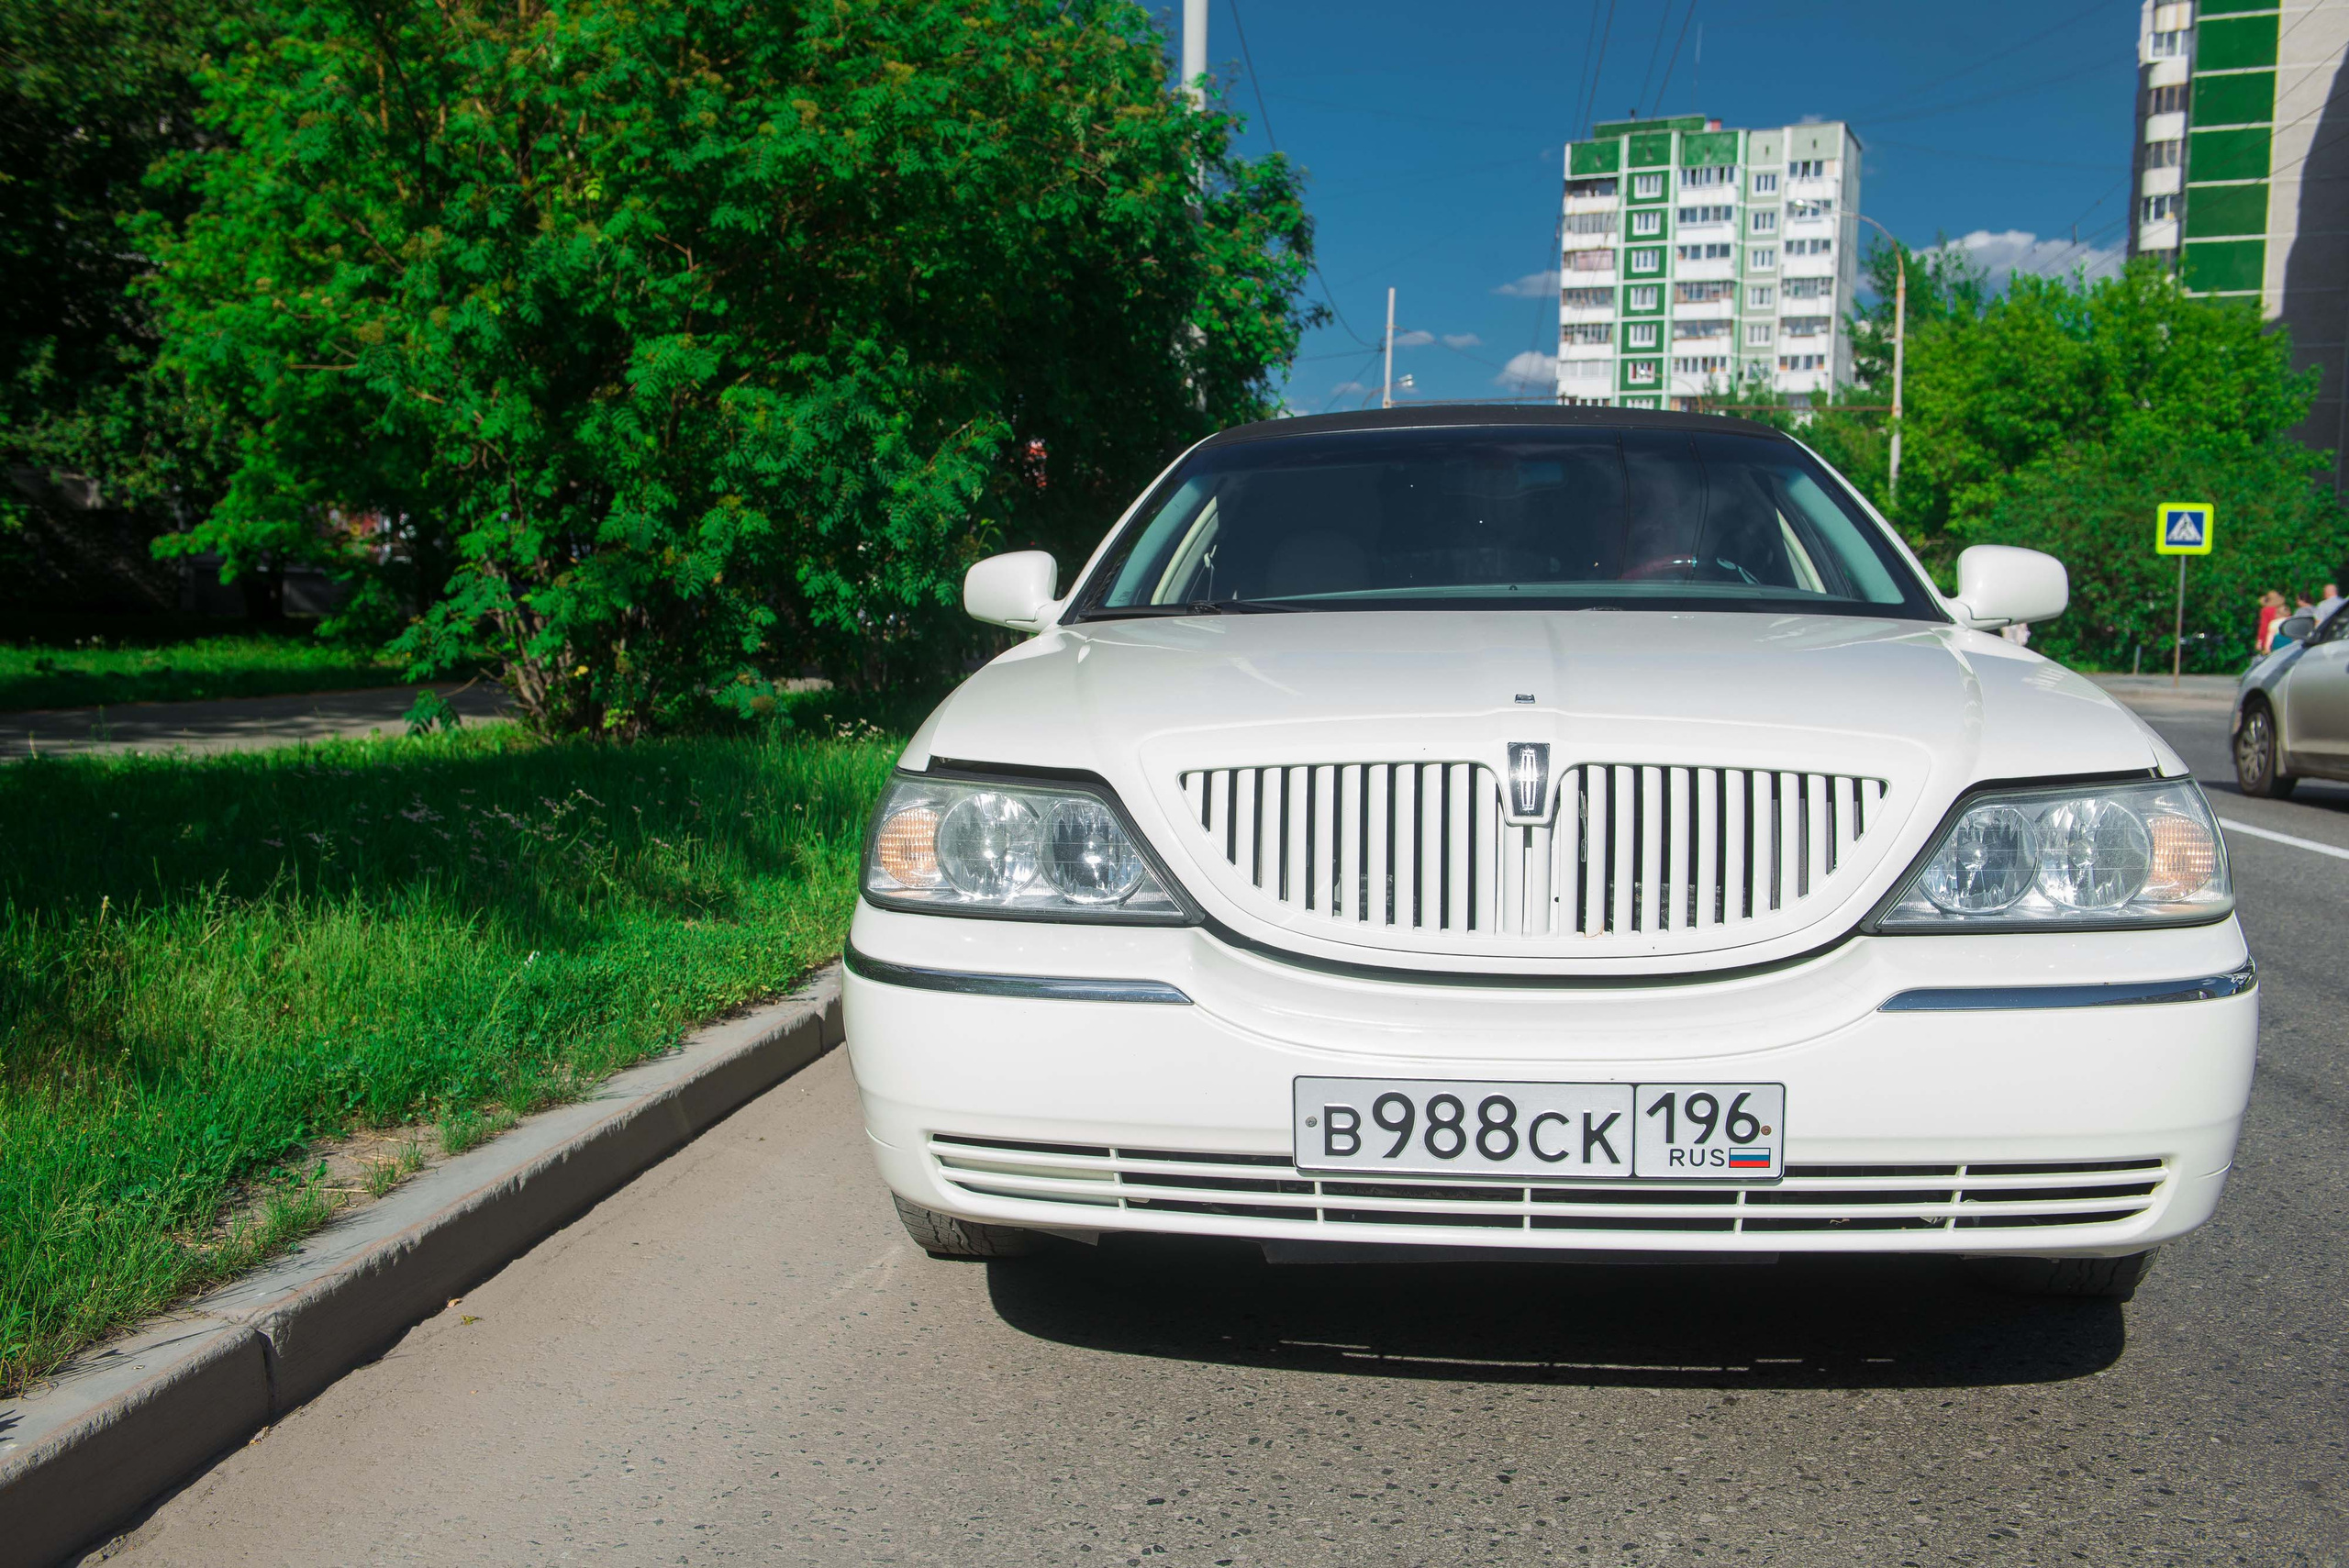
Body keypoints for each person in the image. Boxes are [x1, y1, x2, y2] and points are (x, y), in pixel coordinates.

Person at [2257, 588, 2288, 653]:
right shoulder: (2284, 609)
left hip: (2271, 637)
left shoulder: (2266, 610)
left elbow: (2264, 626)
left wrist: (2260, 641)